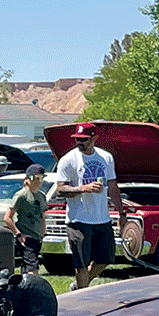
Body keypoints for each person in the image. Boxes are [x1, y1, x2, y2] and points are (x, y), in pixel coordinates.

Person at [55, 122, 124, 288]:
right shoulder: (68, 160)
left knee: (106, 259)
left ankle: (79, 287)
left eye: (84, 139)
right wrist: (83, 188)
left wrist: (122, 213)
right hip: (78, 220)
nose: (79, 142)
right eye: (77, 138)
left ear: (95, 138)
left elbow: (113, 186)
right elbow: (60, 189)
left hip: (102, 219)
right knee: (81, 264)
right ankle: (82, 298)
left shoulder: (106, 158)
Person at [5, 163, 48, 274]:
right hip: (26, 238)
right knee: (33, 269)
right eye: (34, 178)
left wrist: (43, 234)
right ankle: (35, 290)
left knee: (27, 268)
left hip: (37, 238)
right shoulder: (21, 196)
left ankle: (24, 290)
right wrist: (19, 234)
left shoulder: (41, 196)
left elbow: (42, 216)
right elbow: (7, 218)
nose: (37, 181)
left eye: (40, 178)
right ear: (27, 179)